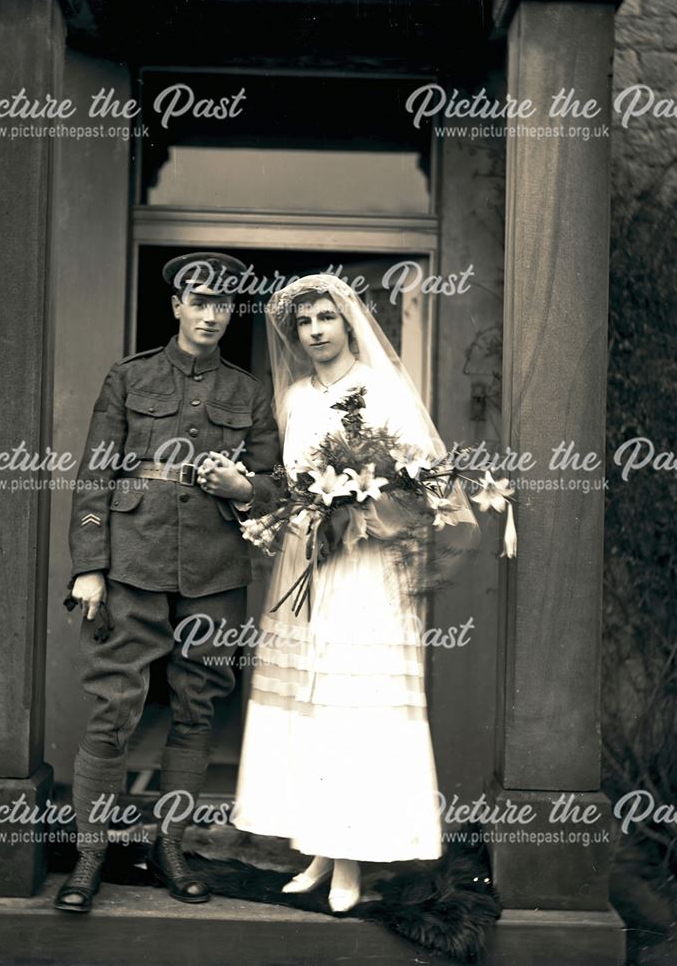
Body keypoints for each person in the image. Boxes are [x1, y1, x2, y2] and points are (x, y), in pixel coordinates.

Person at [232, 273, 479, 913]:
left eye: (325, 319)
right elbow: (286, 487)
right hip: (308, 563)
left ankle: (350, 863)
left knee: (350, 704)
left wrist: (358, 505)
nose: (314, 332)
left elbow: (424, 483)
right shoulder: (293, 400)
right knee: (310, 701)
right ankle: (318, 848)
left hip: (367, 567)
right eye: (304, 323)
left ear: (347, 322)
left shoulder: (383, 390)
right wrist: (301, 512)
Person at [55, 252, 283, 914]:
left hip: (213, 568)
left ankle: (171, 844)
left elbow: (275, 483)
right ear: (177, 306)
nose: (212, 314)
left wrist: (244, 486)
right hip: (132, 560)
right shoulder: (130, 377)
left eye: (223, 304)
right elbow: (95, 474)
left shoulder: (247, 391)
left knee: (197, 707)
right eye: (200, 300)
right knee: (113, 705)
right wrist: (90, 565)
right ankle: (90, 852)